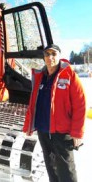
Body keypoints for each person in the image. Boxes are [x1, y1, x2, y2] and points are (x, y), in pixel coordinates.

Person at [23, 44, 86, 182]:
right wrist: (29, 125)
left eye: (54, 54)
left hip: (62, 132)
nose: (50, 57)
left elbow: (80, 105)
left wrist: (77, 133)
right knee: (51, 166)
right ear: (44, 57)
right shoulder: (40, 76)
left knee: (66, 169)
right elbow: (33, 103)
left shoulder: (69, 75)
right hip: (43, 130)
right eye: (47, 54)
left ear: (59, 56)